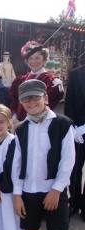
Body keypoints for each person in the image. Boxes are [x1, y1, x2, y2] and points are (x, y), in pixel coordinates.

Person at [13, 79, 78, 230]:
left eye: (35, 97)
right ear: (21, 103)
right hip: (28, 192)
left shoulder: (62, 123)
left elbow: (68, 161)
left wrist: (56, 190)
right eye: (25, 99)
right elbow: (17, 163)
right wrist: (17, 194)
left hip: (53, 192)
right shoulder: (21, 128)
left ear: (46, 98)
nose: (31, 102)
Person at [9, 40, 64, 124]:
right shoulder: (20, 80)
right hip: (17, 125)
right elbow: (14, 102)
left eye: (37, 58)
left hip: (40, 124)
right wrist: (14, 118)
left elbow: (45, 107)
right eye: (30, 58)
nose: (33, 61)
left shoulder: (51, 82)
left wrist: (23, 123)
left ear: (44, 59)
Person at [64, 54, 85, 220]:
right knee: (75, 168)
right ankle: (74, 202)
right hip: (79, 130)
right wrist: (74, 126)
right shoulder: (77, 73)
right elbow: (69, 101)